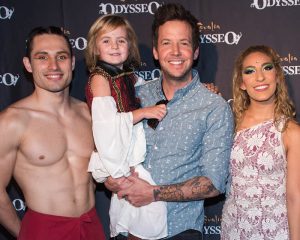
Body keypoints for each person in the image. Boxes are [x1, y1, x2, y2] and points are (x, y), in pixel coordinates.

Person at [106, 3, 234, 240]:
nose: (175, 52)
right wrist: (109, 178)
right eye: (167, 43)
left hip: (179, 230)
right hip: (127, 227)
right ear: (155, 51)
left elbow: (213, 183)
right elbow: (109, 145)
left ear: (195, 52)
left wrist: (153, 193)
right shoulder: (136, 96)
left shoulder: (214, 107)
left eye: (183, 43)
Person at [0, 26, 105, 240]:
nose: (53, 66)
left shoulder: (90, 114)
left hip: (91, 225)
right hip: (42, 230)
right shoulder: (13, 121)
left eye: (62, 56)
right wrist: (26, 235)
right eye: (42, 57)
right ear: (28, 64)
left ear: (72, 63)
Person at [85, 15, 168, 239]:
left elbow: (156, 87)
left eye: (121, 40)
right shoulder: (100, 79)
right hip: (116, 154)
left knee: (139, 212)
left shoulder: (127, 75)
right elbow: (107, 125)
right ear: (94, 47)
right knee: (147, 212)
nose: (114, 46)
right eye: (106, 41)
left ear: (129, 45)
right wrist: (144, 112)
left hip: (129, 152)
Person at [221, 45, 300, 240]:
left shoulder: (291, 132)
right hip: (234, 230)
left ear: (277, 76)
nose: (260, 77)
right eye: (250, 71)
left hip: (276, 232)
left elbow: (295, 197)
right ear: (241, 83)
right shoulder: (227, 125)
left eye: (267, 68)